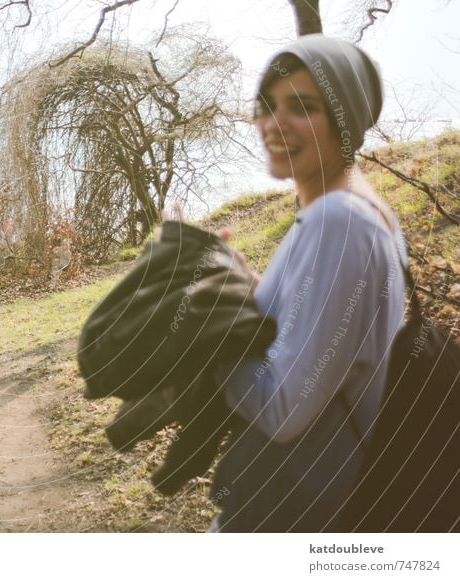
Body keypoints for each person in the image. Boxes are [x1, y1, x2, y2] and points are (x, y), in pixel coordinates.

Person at [208, 35, 406, 532]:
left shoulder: (337, 222)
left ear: (344, 121)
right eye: (267, 106)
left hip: (304, 510)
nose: (273, 124)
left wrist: (206, 333)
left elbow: (283, 409)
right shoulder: (359, 212)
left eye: (303, 107)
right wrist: (241, 280)